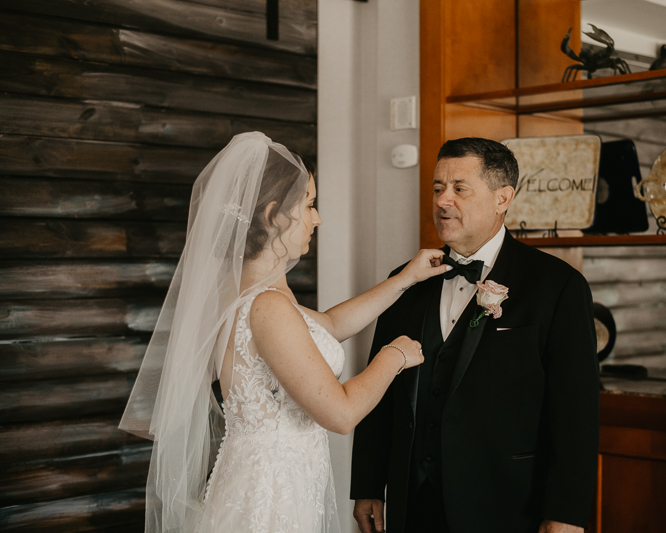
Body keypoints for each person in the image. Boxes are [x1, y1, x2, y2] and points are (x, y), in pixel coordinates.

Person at [119, 132, 450, 533]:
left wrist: (405, 280)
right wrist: (393, 356)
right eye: (309, 204)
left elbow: (326, 325)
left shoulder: (261, 295)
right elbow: (341, 414)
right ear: (273, 214)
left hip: (274, 482)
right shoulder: (268, 307)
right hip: (270, 497)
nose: (318, 218)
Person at [351, 137, 599, 533]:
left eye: (459, 189)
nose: (442, 201)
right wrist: (367, 484)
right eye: (437, 188)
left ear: (503, 198)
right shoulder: (406, 280)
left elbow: (576, 413)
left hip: (506, 502)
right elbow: (381, 392)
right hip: (414, 499)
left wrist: (566, 514)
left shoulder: (557, 286)